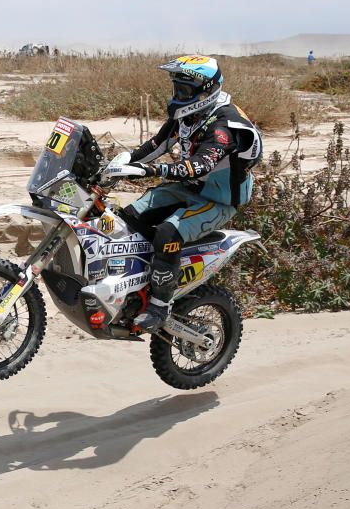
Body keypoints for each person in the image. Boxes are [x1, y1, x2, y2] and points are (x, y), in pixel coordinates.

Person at [104, 55, 262, 331]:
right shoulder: (189, 114)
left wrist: (154, 172)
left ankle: (160, 306)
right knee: (128, 217)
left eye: (184, 90)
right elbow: (156, 145)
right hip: (188, 188)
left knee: (167, 233)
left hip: (219, 200)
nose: (178, 95)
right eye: (177, 88)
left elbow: (201, 164)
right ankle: (136, 284)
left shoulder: (224, 123)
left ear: (205, 89)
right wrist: (121, 162)